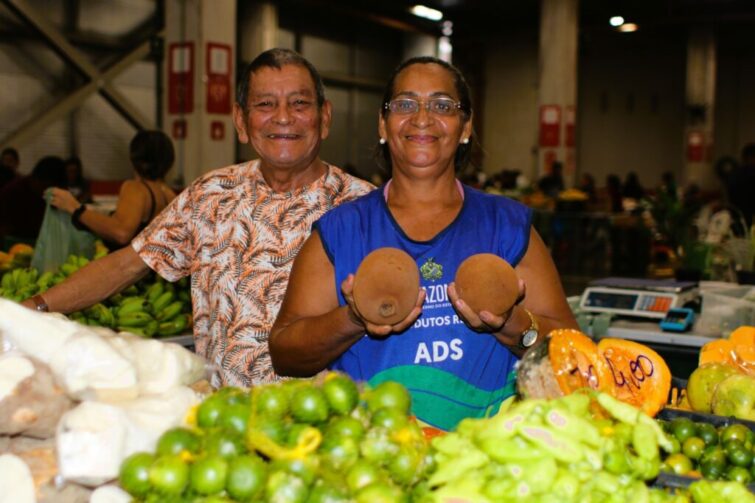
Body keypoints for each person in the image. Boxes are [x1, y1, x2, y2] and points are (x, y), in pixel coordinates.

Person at [21, 48, 373, 386]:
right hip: (218, 421)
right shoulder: (211, 194)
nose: (283, 117)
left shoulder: (362, 207)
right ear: (240, 120)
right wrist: (33, 309)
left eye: (299, 104)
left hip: (327, 424)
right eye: (265, 104)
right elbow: (127, 265)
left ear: (324, 117)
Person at [269, 57, 577, 431]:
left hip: (485, 458)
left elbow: (573, 352)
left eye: (442, 105)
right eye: (405, 104)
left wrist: (510, 324)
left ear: (465, 128)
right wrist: (352, 319)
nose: (422, 118)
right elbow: (284, 353)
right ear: (383, 124)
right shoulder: (341, 231)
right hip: (375, 455)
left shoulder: (507, 226)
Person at [49, 131, 177, 248]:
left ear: (134, 157)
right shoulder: (169, 195)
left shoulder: (136, 188)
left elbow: (121, 233)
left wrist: (74, 207)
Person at [0, 156, 66, 247]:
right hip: (13, 245)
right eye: (46, 187)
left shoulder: (55, 195)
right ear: (36, 179)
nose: (48, 193)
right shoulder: (12, 192)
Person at [726, 143, 755, 227]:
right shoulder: (751, 173)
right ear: (750, 157)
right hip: (749, 217)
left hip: (734, 217)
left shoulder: (734, 173)